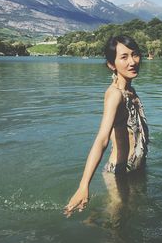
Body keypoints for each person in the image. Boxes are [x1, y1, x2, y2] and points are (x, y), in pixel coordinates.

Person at [64, 35, 149, 217]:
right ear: (112, 65)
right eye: (124, 57)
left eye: (135, 55)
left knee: (131, 215)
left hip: (135, 171)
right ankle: (90, 220)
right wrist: (83, 185)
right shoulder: (115, 95)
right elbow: (102, 139)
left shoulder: (130, 91)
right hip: (119, 173)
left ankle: (93, 217)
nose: (132, 61)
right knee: (116, 223)